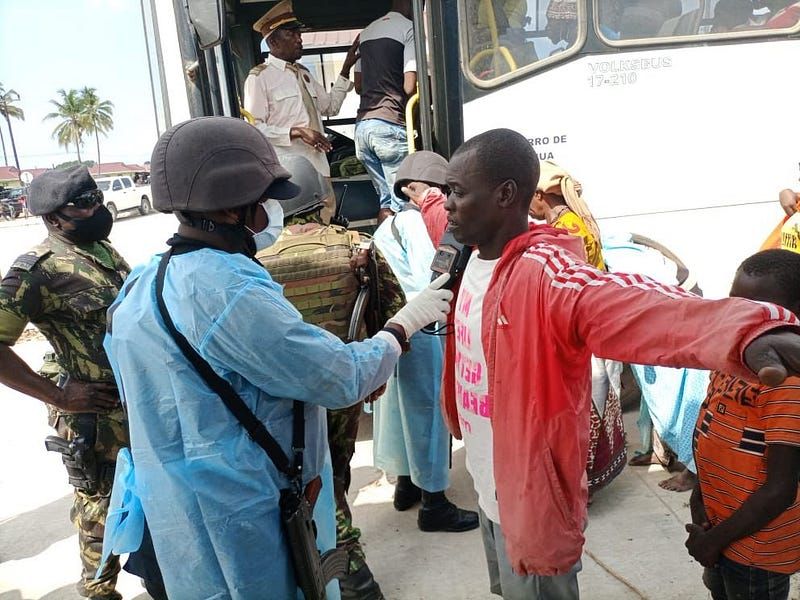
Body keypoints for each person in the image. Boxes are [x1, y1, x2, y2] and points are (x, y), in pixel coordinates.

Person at [410, 127, 800, 599]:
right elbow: (434, 211)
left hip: (532, 498)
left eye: (457, 192)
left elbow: (633, 303)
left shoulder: (544, 276)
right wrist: (419, 189)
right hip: (490, 485)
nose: (447, 204)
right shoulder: (465, 250)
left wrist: (742, 328)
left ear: (505, 195)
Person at [102, 116, 453, 599]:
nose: (273, 211)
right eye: (266, 199)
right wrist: (402, 325)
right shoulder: (228, 289)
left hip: (175, 509)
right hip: (243, 511)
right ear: (233, 209)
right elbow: (340, 377)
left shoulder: (143, 282)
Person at [256, 154, 408, 599]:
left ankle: (336, 568)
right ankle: (357, 579)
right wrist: (376, 374)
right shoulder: (356, 244)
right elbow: (392, 313)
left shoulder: (255, 259)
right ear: (323, 199)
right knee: (330, 477)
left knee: (316, 480)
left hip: (287, 393)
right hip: (346, 380)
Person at [0, 166, 130, 600]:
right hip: (96, 423)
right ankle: (99, 591)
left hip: (137, 411)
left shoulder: (104, 251)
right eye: (83, 203)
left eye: (95, 196)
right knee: (100, 514)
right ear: (54, 218)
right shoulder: (37, 270)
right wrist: (57, 395)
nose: (96, 207)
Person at [372, 151, 479, 532]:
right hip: (422, 327)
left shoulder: (386, 226)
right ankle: (434, 502)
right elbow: (427, 279)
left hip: (394, 327)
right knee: (429, 415)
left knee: (400, 411)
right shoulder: (416, 224)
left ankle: (406, 485)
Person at [687, 248, 800, 600]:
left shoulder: (785, 382)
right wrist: (700, 500)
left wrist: (713, 542)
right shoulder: (735, 357)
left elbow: (779, 490)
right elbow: (711, 430)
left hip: (756, 548)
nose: (746, 319)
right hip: (720, 529)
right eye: (738, 306)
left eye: (762, 311)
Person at [529, 160, 626, 496]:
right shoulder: (576, 219)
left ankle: (581, 484)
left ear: (541, 195)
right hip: (599, 326)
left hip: (585, 332)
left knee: (584, 407)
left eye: (530, 197)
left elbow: (568, 288)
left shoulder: (566, 229)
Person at [244, 0, 360, 223]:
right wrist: (297, 132)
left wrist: (345, 69)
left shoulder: (305, 74)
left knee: (327, 229)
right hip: (290, 171)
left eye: (299, 33)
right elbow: (254, 129)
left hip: (318, 166)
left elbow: (330, 108)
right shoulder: (260, 78)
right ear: (274, 41)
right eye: (292, 34)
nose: (300, 39)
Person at [354, 0, 417, 221]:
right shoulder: (409, 28)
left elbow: (359, 85)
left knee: (386, 201)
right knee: (404, 202)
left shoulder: (366, 32)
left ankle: (385, 252)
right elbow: (410, 87)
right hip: (390, 125)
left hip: (363, 129)